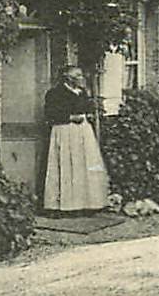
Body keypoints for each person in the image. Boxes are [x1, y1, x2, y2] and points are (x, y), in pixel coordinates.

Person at [41, 65, 109, 213]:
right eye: (77, 75)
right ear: (68, 77)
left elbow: (87, 108)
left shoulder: (82, 93)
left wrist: (89, 113)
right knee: (67, 165)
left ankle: (86, 203)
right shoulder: (55, 93)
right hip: (65, 131)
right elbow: (50, 114)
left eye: (81, 75)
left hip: (83, 132)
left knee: (84, 164)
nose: (81, 78)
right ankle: (64, 205)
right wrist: (70, 117)